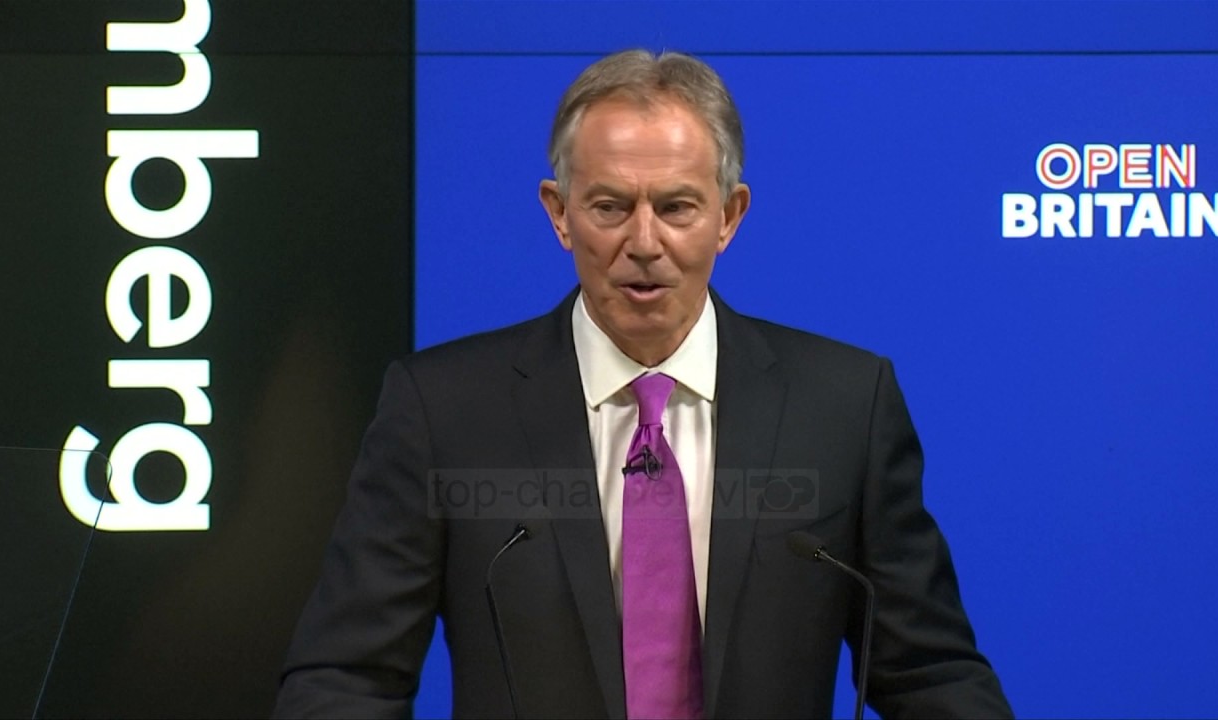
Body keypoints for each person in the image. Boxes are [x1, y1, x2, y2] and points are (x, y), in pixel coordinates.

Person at [272, 49, 1012, 719]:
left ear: (729, 216)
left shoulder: (845, 405)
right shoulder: (443, 410)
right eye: (611, 207)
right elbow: (346, 681)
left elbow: (929, 673)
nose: (645, 242)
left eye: (677, 207)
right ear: (559, 214)